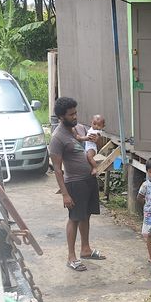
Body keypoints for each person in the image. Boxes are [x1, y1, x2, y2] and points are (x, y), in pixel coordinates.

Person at [48, 97, 106, 272]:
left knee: (86, 215)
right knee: (74, 218)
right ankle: (71, 257)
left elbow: (96, 146)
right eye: (71, 114)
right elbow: (57, 169)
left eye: (75, 113)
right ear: (61, 116)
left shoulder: (80, 128)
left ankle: (86, 249)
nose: (75, 116)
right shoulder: (57, 138)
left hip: (88, 180)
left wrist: (98, 142)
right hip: (74, 183)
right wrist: (65, 194)